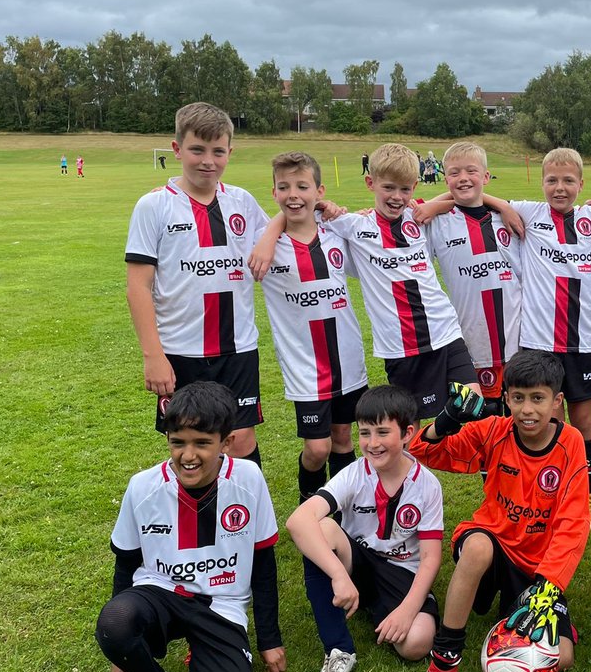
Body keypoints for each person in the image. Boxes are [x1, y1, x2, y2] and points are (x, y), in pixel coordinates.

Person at [409, 351, 590, 672]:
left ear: (557, 402)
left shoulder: (571, 443)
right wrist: (447, 421)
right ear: (506, 398)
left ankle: (509, 625)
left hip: (536, 569)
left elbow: (573, 524)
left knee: (565, 656)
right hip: (492, 546)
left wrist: (547, 589)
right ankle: (443, 668)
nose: (527, 409)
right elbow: (421, 451)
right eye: (518, 398)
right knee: (477, 548)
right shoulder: (494, 430)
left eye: (538, 398)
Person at [94, 381, 285, 672]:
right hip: (160, 593)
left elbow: (263, 563)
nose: (188, 455)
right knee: (115, 621)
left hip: (221, 605)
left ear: (226, 443)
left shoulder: (248, 479)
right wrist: (120, 653)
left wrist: (269, 639)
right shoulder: (142, 487)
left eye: (202, 442)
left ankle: (204, 655)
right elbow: (126, 565)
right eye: (177, 442)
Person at [254, 143, 480, 420]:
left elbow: (464, 197)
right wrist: (269, 237)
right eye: (389, 188)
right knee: (410, 425)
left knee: (472, 403)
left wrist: (450, 205)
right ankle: (417, 459)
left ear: (414, 189)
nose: (397, 197)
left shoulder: (418, 216)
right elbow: (301, 208)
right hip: (400, 345)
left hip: (445, 330)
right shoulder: (354, 226)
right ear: (370, 183)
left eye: (405, 189)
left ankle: (436, 447)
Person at [126, 102, 269, 463]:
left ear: (229, 153)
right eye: (197, 150)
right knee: (190, 442)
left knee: (239, 438)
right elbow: (138, 287)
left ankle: (243, 518)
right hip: (179, 351)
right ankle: (196, 517)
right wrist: (153, 355)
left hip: (237, 348)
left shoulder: (242, 202)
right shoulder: (153, 206)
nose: (208, 160)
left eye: (218, 151)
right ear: (177, 150)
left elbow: (282, 237)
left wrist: (323, 209)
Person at [286, 386, 443, 672]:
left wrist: (408, 610)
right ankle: (338, 650)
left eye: (383, 432)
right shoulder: (354, 474)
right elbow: (297, 521)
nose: (372, 443)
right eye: (365, 433)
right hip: (356, 562)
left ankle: (380, 609)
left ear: (407, 433)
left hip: (401, 572)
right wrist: (339, 575)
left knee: (416, 644)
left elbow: (430, 559)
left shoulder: (427, 485)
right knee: (321, 529)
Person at [493, 148, 591, 529]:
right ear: (541, 183)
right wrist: (500, 204)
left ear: (582, 184)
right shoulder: (530, 213)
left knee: (584, 421)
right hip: (538, 344)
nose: (560, 187)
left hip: (583, 344)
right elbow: (469, 193)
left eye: (568, 181)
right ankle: (549, 495)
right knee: (546, 420)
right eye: (552, 180)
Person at [258, 152, 368, 501]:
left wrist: (342, 213)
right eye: (284, 187)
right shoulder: (265, 246)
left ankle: (343, 505)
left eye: (303, 187)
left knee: (343, 438)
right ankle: (310, 498)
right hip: (305, 366)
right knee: (317, 448)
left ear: (318, 190)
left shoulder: (336, 234)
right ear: (273, 192)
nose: (294, 195)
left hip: (347, 359)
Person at [418, 141, 522, 415]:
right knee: (478, 416)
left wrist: (500, 204)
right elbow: (407, 213)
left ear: (486, 176)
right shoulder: (438, 221)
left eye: (471, 171)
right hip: (470, 341)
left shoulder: (510, 216)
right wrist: (434, 203)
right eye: (454, 173)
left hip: (518, 339)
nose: (463, 178)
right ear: (445, 177)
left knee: (519, 414)